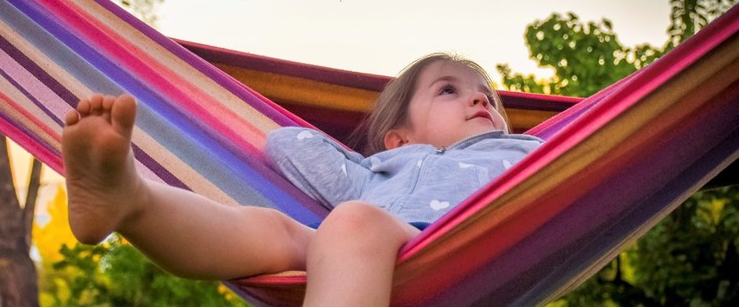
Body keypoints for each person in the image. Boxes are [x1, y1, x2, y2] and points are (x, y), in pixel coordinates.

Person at [60, 53, 543, 306]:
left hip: (468, 247)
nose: (480, 101)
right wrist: (363, 157)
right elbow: (287, 146)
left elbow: (565, 178)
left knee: (351, 223)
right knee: (282, 230)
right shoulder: (376, 173)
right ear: (396, 138)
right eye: (448, 90)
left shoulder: (524, 150)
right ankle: (130, 201)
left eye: (488, 98)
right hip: (358, 256)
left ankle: (130, 201)